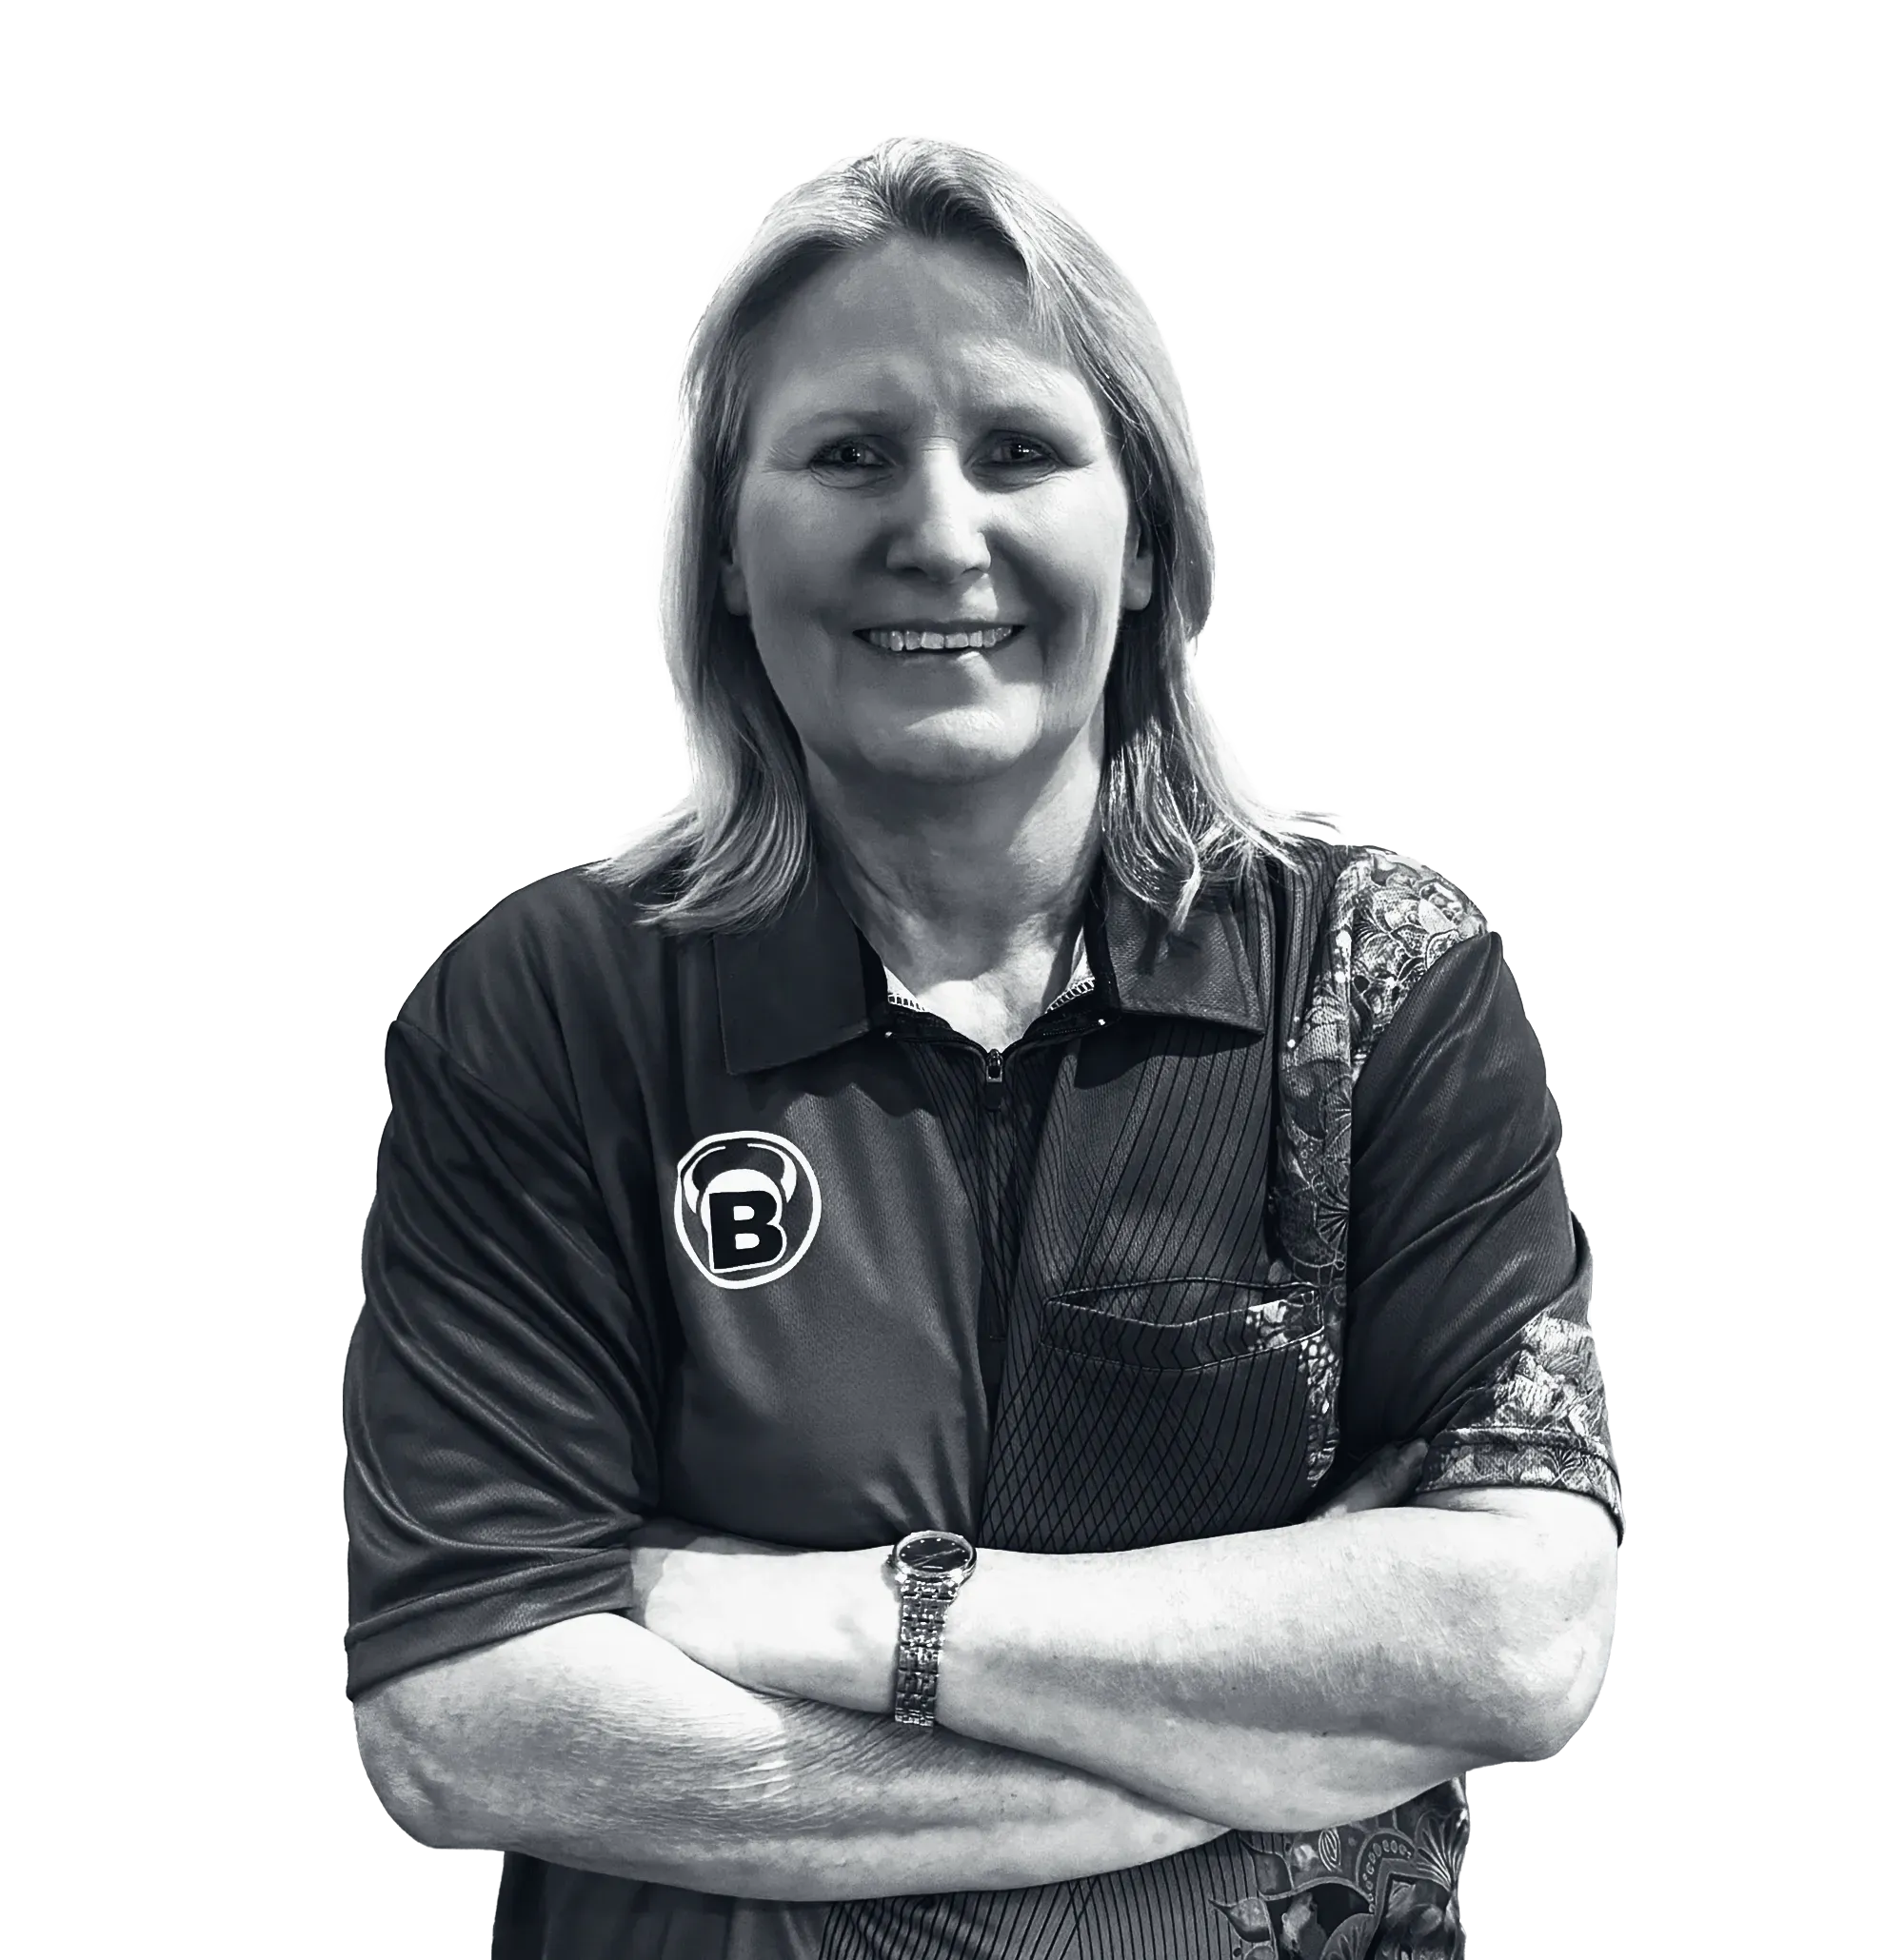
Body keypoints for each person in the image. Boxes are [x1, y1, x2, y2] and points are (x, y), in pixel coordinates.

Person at [344, 136, 1625, 1960]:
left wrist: (855, 1611)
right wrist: (1237, 1757)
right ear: (726, 550)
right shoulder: (549, 1010)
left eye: (1019, 450)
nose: (940, 534)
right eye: (848, 454)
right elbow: (465, 1719)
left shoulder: (1382, 978)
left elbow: (1518, 1635)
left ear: (1149, 534)